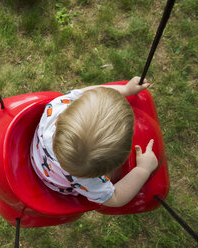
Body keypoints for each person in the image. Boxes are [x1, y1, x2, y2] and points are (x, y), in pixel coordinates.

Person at [30, 76, 158, 207]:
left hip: (37, 155)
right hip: (56, 184)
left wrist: (125, 90)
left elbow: (85, 93)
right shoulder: (87, 181)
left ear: (59, 121)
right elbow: (115, 198)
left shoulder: (56, 108)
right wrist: (143, 169)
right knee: (115, 176)